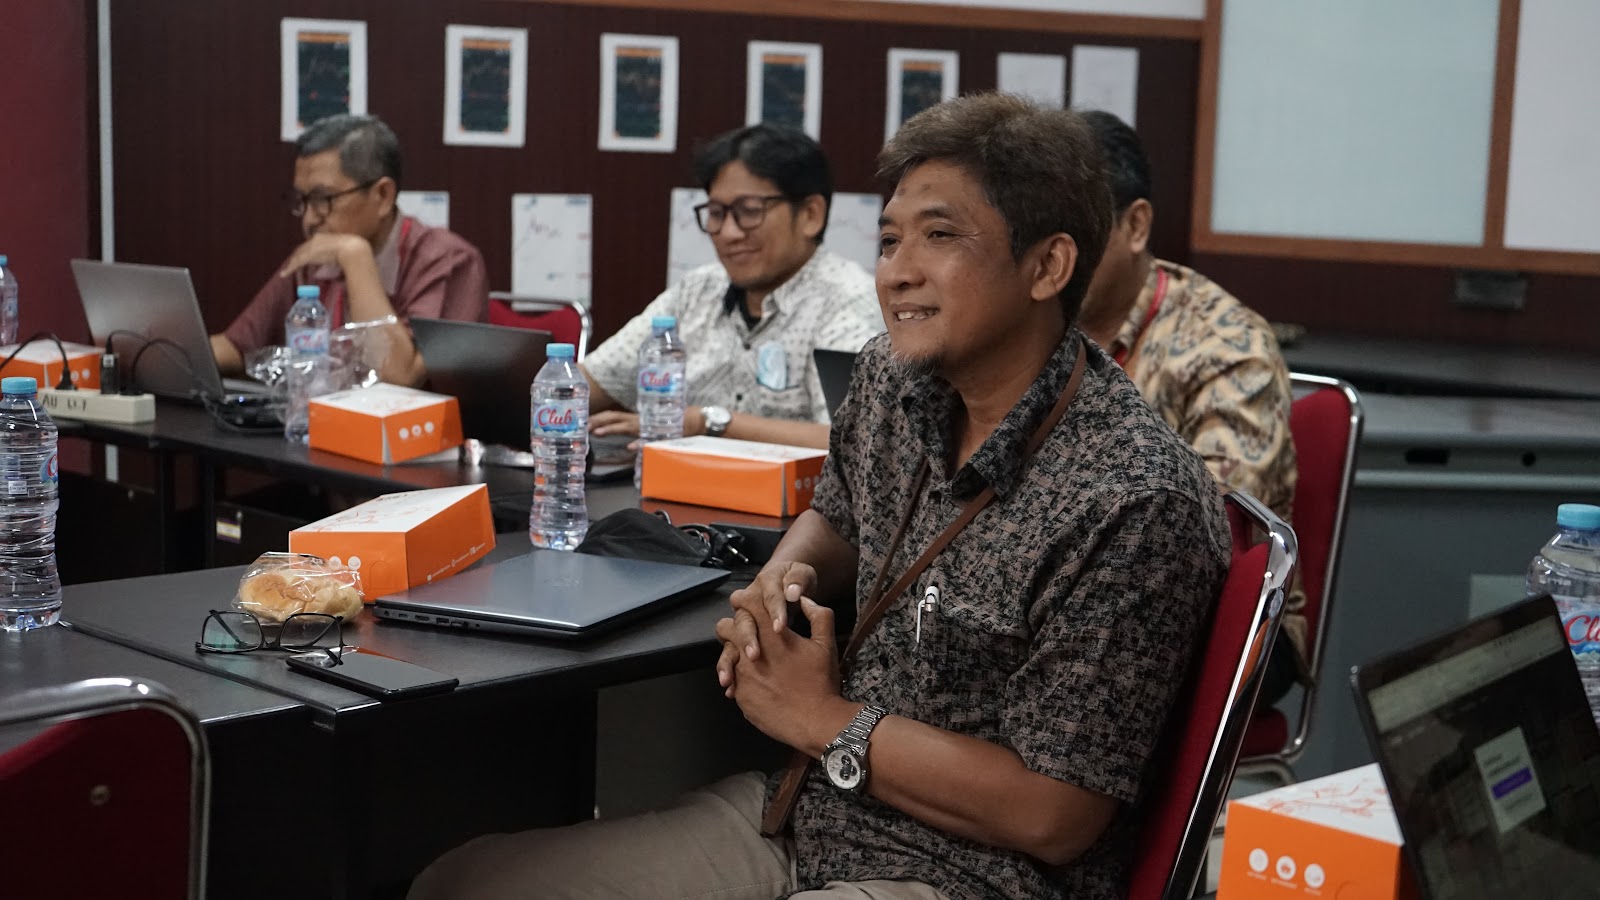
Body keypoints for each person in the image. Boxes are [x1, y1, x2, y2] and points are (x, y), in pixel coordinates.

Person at [408, 94, 1231, 900]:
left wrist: (822, 718)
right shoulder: (892, 378)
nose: (897, 272)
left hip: (980, 875)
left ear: (1047, 266)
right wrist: (782, 577)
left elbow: (1055, 814)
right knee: (461, 883)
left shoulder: (1131, 498)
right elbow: (839, 514)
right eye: (889, 240)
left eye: (940, 236)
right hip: (813, 809)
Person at [1076, 110, 1303, 702]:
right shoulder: (1027, 327)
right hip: (1061, 593)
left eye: (1075, 228)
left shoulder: (1226, 344)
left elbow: (1214, 537)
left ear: (1135, 224)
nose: (1053, 254)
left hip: (1221, 617)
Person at [581, 124, 882, 450]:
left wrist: (709, 423)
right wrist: (554, 392)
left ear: (811, 215)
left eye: (749, 211)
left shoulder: (850, 303)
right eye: (716, 213)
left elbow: (849, 440)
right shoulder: (697, 291)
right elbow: (594, 378)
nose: (728, 233)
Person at [210, 114, 489, 388]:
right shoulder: (317, 257)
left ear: (383, 195)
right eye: (303, 200)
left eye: (323, 199)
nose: (309, 218)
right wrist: (185, 353)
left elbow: (399, 377)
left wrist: (355, 257)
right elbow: (237, 346)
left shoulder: (449, 261)